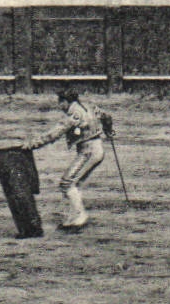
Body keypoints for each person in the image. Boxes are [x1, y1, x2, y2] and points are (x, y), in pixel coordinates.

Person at [18, 87, 107, 231]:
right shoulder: (89, 105)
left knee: (67, 182)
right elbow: (105, 116)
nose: (60, 106)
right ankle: (74, 216)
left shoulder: (74, 113)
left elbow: (55, 133)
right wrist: (108, 129)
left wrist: (33, 144)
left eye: (61, 102)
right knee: (73, 183)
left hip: (88, 151)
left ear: (66, 101)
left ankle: (79, 217)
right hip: (94, 148)